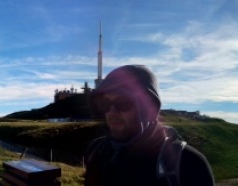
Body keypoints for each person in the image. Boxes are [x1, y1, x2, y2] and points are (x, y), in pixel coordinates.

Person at [83, 65, 215, 186]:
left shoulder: (188, 164)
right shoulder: (96, 152)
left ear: (147, 108)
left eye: (123, 103)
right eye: (104, 104)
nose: (111, 112)